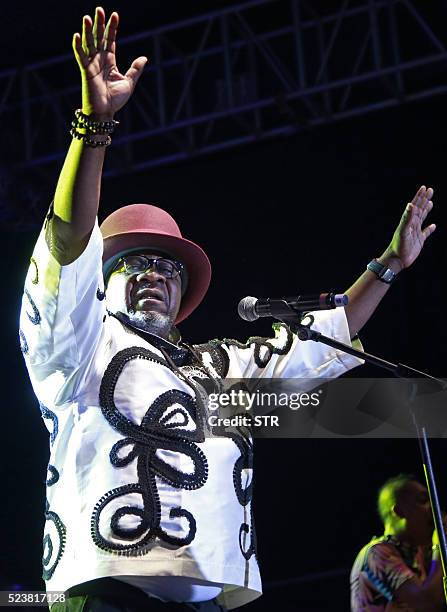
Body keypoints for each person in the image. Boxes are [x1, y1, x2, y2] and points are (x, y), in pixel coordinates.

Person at [19, 7, 436, 611]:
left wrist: (389, 265)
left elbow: (320, 342)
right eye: (133, 263)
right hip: (108, 595)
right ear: (100, 285)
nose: (153, 274)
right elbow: (67, 245)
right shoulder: (82, 349)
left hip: (209, 599)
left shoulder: (214, 372)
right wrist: (95, 127)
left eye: (167, 268)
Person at [350, 474, 445, 611]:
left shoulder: (417, 552)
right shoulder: (377, 553)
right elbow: (425, 602)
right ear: (399, 512)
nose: (433, 507)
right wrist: (440, 544)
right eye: (423, 501)